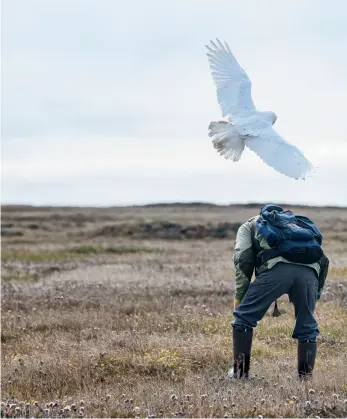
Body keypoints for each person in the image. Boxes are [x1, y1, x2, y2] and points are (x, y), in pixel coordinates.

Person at [229, 204, 329, 380]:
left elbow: (242, 258)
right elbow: (323, 260)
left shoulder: (248, 226)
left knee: (243, 318)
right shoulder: (299, 226)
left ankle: (240, 374)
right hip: (310, 274)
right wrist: (316, 294)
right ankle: (305, 380)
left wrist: (241, 298)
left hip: (277, 271)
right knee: (307, 325)